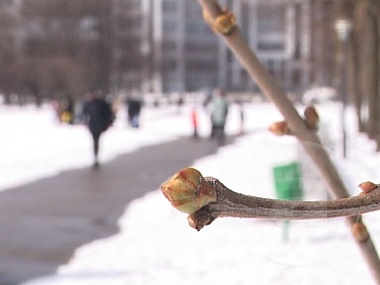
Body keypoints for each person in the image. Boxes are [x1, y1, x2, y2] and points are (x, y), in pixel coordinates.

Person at [82, 90, 115, 168]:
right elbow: (84, 113)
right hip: (93, 125)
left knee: (96, 141)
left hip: (100, 125)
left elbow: (108, 113)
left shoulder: (102, 103)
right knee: (95, 141)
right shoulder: (89, 104)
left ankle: (96, 156)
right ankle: (95, 157)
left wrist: (108, 122)